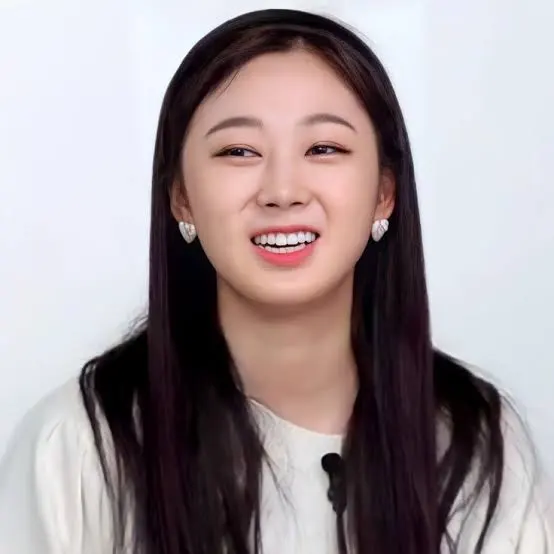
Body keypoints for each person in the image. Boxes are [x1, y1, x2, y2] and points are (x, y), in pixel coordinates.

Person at [0, 8, 551, 554]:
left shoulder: (479, 443)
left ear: (385, 193)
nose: (283, 191)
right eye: (238, 151)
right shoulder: (77, 448)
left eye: (324, 149)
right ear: (181, 198)